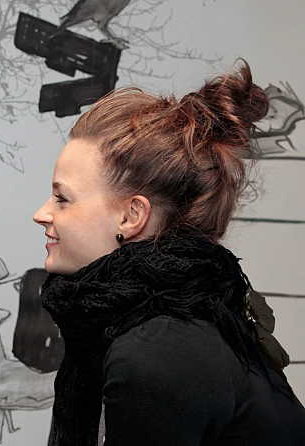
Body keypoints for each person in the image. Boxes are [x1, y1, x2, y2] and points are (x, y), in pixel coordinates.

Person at [32, 60, 305, 445]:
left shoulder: (159, 350)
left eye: (62, 198)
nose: (41, 214)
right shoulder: (178, 316)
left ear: (131, 215)